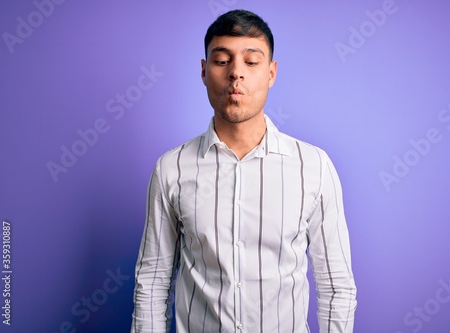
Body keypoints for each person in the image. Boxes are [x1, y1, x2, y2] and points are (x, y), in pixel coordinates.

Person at [131, 9, 356, 333]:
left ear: (271, 72)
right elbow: (152, 282)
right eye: (222, 61)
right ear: (204, 71)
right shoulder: (172, 168)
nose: (236, 73)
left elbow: (336, 285)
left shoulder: (313, 166)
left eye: (251, 62)